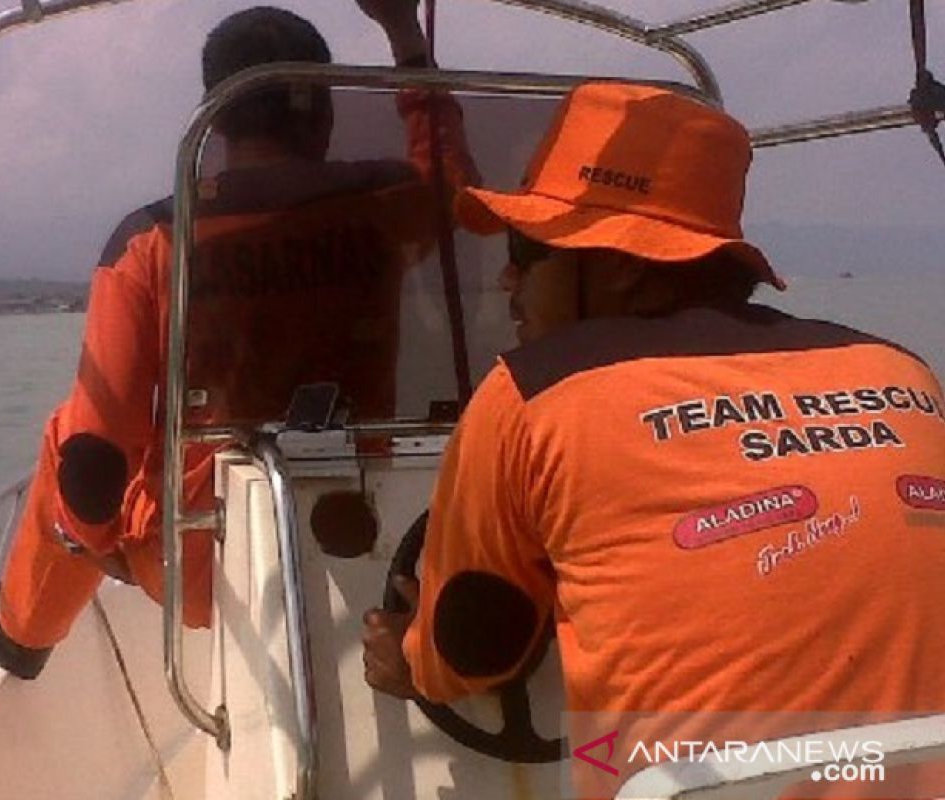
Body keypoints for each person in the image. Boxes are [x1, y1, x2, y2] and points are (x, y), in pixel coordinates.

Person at [362, 81, 945, 793]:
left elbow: (473, 650)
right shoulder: (901, 370)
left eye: (527, 248)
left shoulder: (532, 392)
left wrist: (406, 656)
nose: (509, 277)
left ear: (627, 269)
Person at [0, 1, 477, 678]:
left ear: (215, 119)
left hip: (202, 567)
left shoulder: (154, 239)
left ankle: (25, 630)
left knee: (68, 434)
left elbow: (98, 453)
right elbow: (459, 189)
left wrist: (94, 543)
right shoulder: (387, 204)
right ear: (327, 112)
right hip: (370, 532)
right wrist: (403, 34)